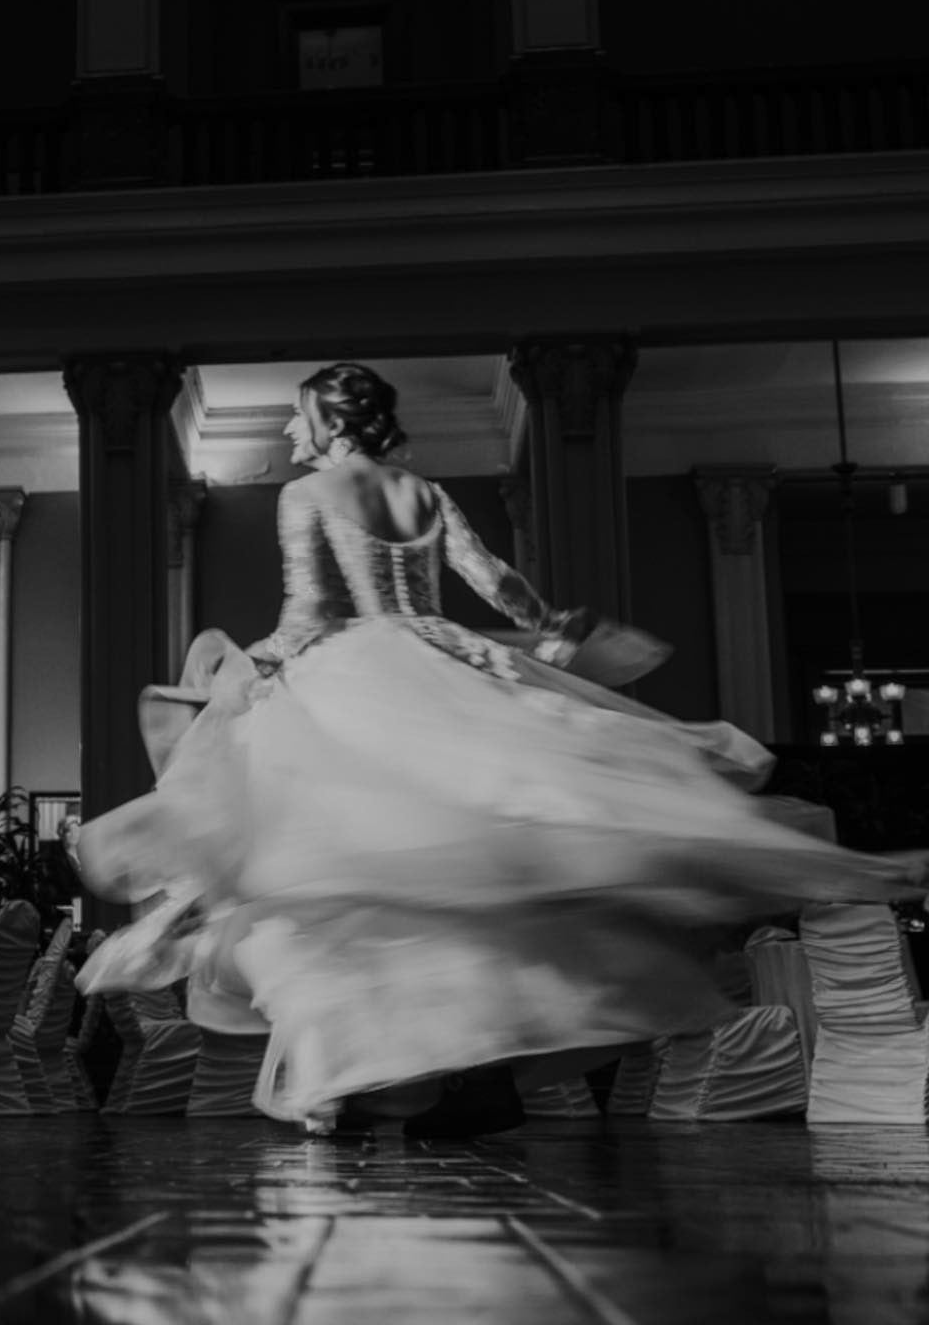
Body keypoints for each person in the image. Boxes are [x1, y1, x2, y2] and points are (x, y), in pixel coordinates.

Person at [72, 361, 926, 1135]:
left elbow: (307, 615)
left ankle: (346, 1070)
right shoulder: (426, 491)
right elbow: (500, 584)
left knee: (340, 869)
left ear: (329, 424)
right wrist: (551, 630)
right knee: (477, 857)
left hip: (359, 666)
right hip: (449, 657)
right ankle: (414, 1074)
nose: (298, 434)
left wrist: (244, 674)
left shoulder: (307, 496)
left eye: (303, 419)